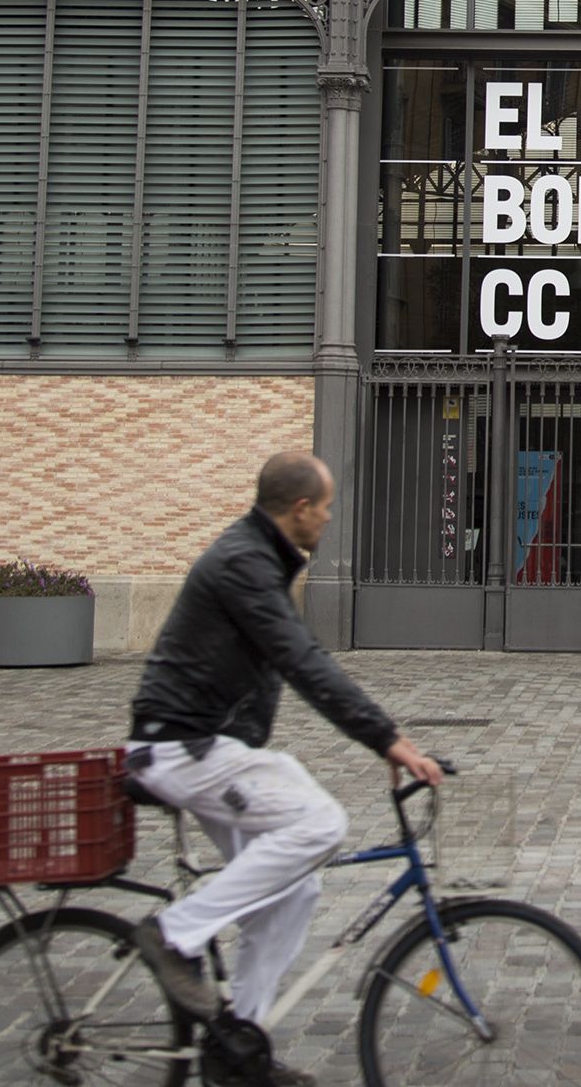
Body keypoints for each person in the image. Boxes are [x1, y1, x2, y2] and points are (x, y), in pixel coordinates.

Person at [126, 451, 443, 1073]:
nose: (328, 520)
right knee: (319, 823)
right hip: (180, 746)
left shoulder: (258, 559)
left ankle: (238, 1047)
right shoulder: (244, 564)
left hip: (214, 748)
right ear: (300, 508)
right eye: (324, 508)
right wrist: (388, 738)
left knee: (297, 887)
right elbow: (303, 661)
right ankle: (174, 934)